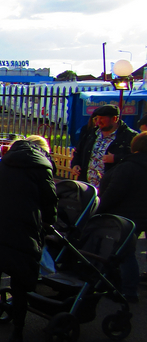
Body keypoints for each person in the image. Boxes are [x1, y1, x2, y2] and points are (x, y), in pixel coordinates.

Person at [0, 135, 57, 342]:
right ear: (42, 151)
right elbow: (50, 202)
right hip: (22, 230)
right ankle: (17, 336)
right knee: (20, 286)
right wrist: (48, 224)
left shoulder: (2, 164)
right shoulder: (42, 168)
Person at [96, 131, 147, 302]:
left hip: (127, 215)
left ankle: (128, 291)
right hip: (141, 214)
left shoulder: (127, 167)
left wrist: (98, 210)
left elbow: (113, 193)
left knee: (125, 253)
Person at [70, 105, 138, 188]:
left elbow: (137, 158)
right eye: (97, 118)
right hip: (87, 186)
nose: (98, 122)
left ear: (114, 119)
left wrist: (116, 158)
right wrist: (75, 164)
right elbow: (78, 151)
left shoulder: (130, 137)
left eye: (102, 118)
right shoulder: (91, 134)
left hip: (111, 188)